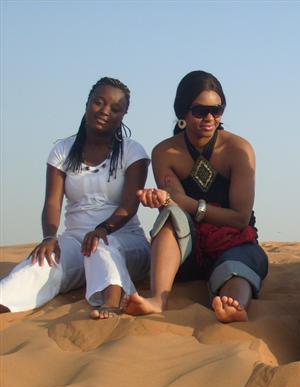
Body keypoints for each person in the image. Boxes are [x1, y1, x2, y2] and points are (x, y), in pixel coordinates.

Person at [123, 70, 268, 322]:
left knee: (237, 267)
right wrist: (166, 201)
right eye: (200, 111)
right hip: (186, 250)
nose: (209, 118)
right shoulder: (165, 152)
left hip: (234, 242)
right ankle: (158, 299)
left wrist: (188, 203)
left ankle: (234, 308)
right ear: (183, 111)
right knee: (170, 217)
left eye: (217, 110)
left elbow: (240, 218)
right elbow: (174, 208)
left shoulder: (238, 150)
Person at [0, 77, 150, 319]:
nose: (104, 111)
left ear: (124, 114)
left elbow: (129, 206)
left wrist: (102, 229)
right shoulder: (62, 151)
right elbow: (52, 202)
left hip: (122, 238)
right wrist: (49, 237)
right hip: (76, 240)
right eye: (98, 103)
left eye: (115, 108)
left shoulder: (133, 152)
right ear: (87, 103)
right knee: (41, 263)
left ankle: (112, 303)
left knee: (100, 247)